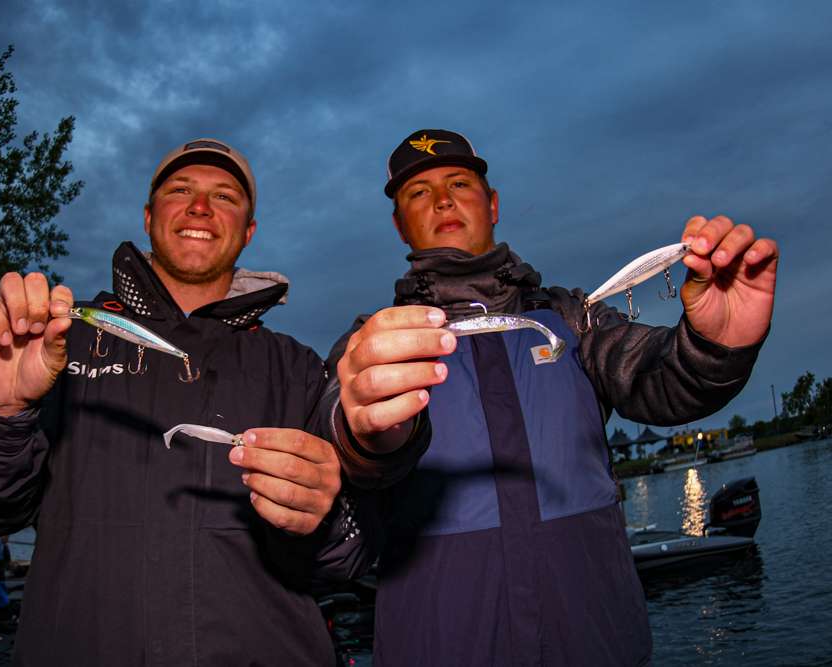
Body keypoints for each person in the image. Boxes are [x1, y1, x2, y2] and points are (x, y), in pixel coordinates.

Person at [325, 129, 779, 665]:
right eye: (419, 193)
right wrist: (361, 440)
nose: (443, 199)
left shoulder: (574, 318)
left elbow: (667, 381)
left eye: (459, 183)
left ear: (492, 205)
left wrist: (715, 343)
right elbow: (334, 483)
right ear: (400, 225)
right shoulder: (369, 347)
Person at [0, 138, 378, 665]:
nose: (200, 207)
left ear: (249, 231)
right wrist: (2, 414)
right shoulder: (59, 340)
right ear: (148, 217)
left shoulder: (300, 370)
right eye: (181, 191)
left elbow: (350, 557)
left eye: (224, 196)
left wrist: (327, 514)